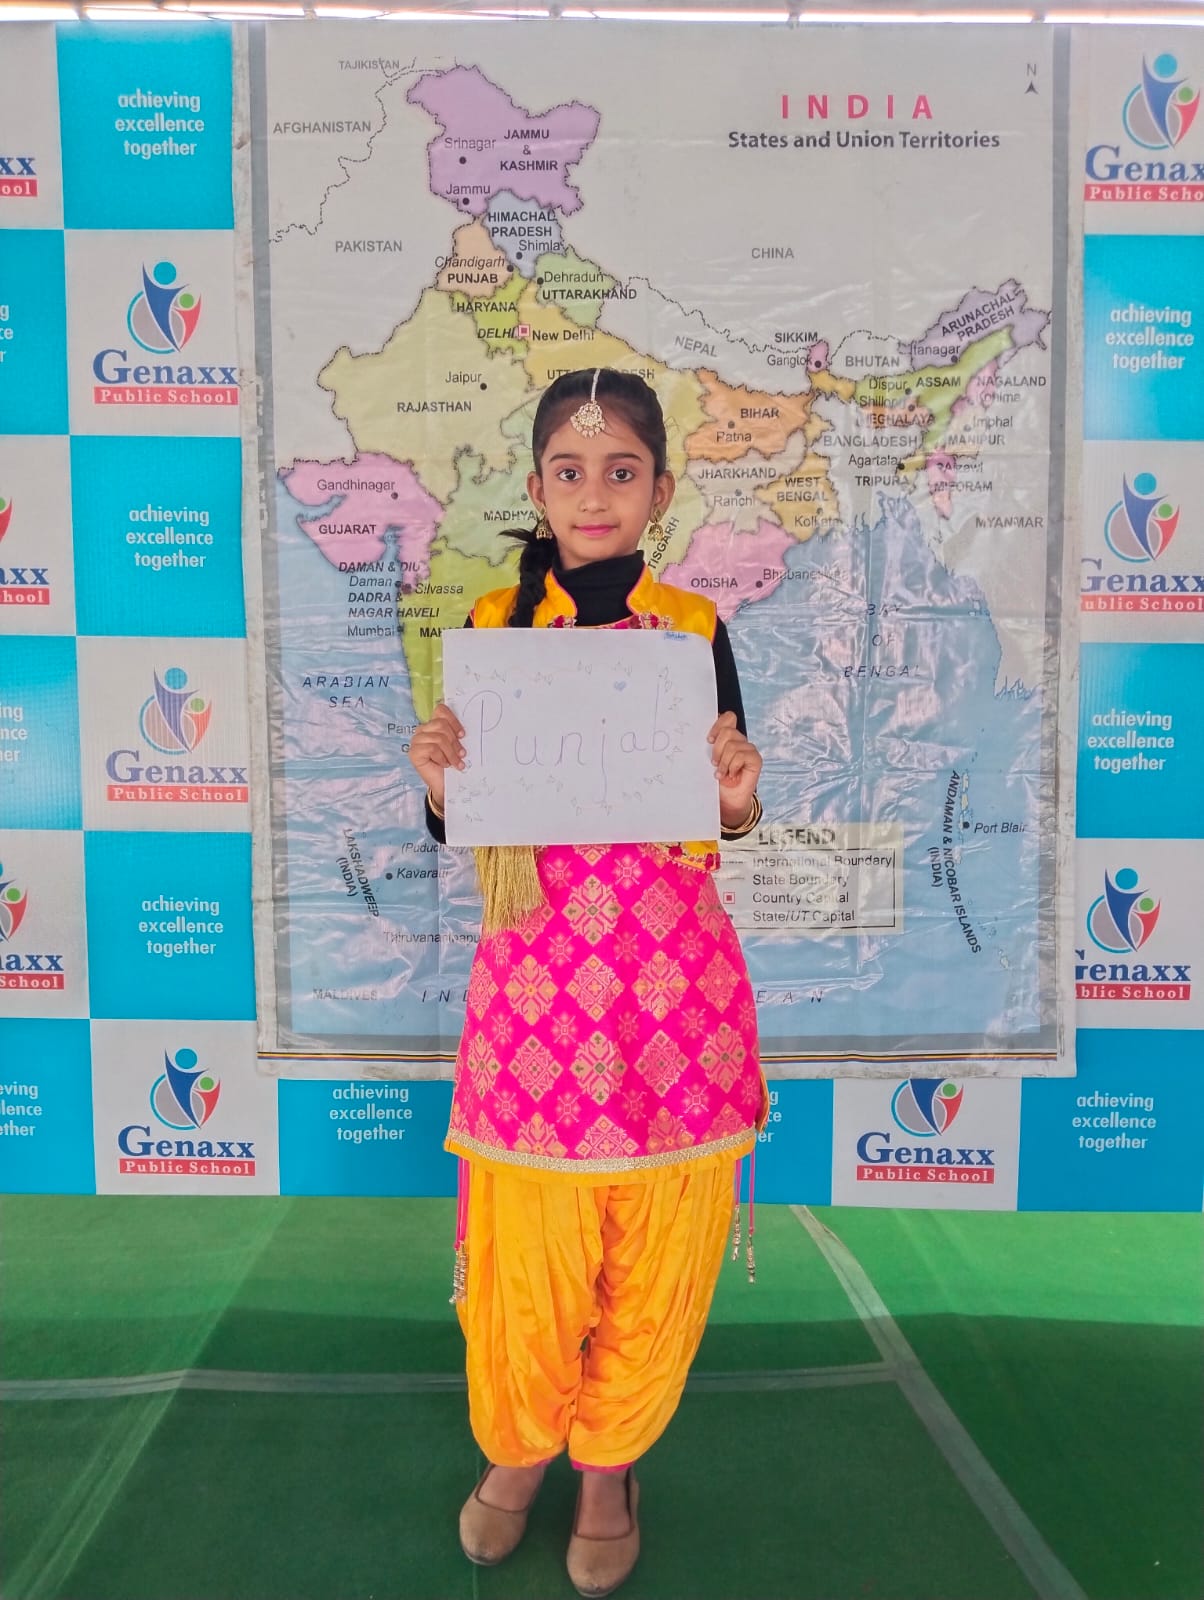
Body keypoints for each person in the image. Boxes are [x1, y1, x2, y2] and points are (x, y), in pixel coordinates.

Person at [408, 367, 767, 1599]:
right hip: (534, 1001)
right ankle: (516, 1450)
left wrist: (736, 800)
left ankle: (608, 1467)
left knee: (654, 1261)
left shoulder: (692, 628)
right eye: (570, 470)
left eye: (621, 470)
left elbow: (726, 813)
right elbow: (464, 821)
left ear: (660, 490)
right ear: (537, 486)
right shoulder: (492, 627)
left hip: (676, 999)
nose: (594, 492)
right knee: (528, 1263)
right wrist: (443, 784)